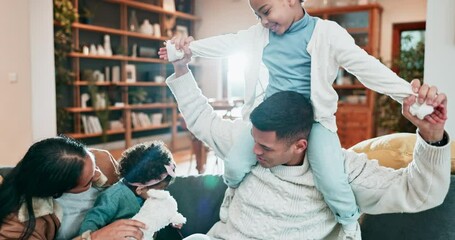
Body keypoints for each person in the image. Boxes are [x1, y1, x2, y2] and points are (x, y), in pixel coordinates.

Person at [159, 0, 430, 236]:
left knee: (331, 179)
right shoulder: (259, 36)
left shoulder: (327, 35)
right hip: (271, 116)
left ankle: (349, 224)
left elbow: (368, 69)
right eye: (258, 16)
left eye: (266, 12)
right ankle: (229, 203)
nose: (264, 22)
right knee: (234, 166)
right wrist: (189, 51)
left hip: (312, 121)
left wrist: (409, 96)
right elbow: (228, 43)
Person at [0, 136, 145, 240]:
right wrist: (94, 237)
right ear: (57, 190)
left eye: (94, 165)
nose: (98, 175)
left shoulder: (100, 158)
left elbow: (134, 187)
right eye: (88, 181)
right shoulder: (20, 221)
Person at [79, 141, 178, 236]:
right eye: (161, 189)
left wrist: (171, 219)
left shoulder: (147, 194)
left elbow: (161, 210)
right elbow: (92, 221)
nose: (163, 193)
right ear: (140, 189)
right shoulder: (113, 197)